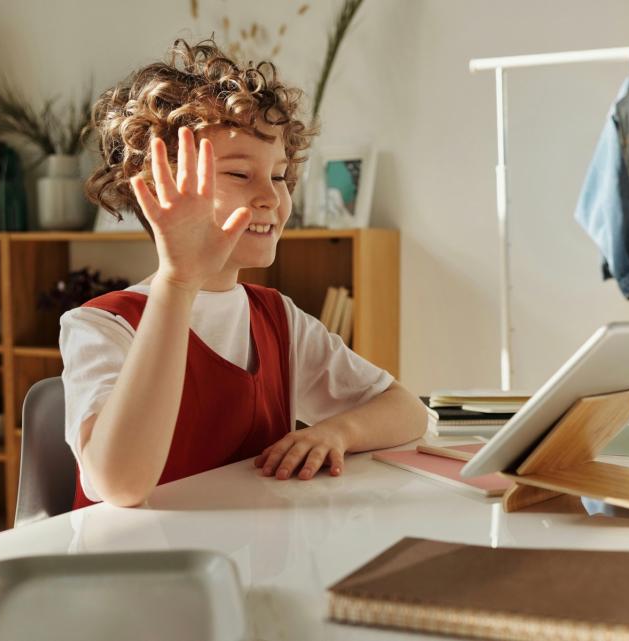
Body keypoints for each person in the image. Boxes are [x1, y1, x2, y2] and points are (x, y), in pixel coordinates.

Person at [61, 38, 427, 509]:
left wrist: (337, 431)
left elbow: (407, 411)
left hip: (248, 562)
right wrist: (178, 281)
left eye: (278, 176)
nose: (272, 198)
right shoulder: (99, 327)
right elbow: (122, 484)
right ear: (158, 190)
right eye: (239, 175)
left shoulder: (277, 318)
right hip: (135, 571)